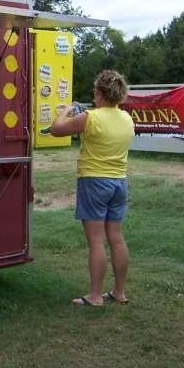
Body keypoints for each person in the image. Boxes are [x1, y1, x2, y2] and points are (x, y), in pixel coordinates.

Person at [51, 70, 134, 307]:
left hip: (94, 181)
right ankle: (119, 292)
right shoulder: (127, 118)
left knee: (96, 241)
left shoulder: (91, 117)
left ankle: (95, 296)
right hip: (119, 182)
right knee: (116, 238)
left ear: (99, 92)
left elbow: (56, 129)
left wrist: (65, 110)